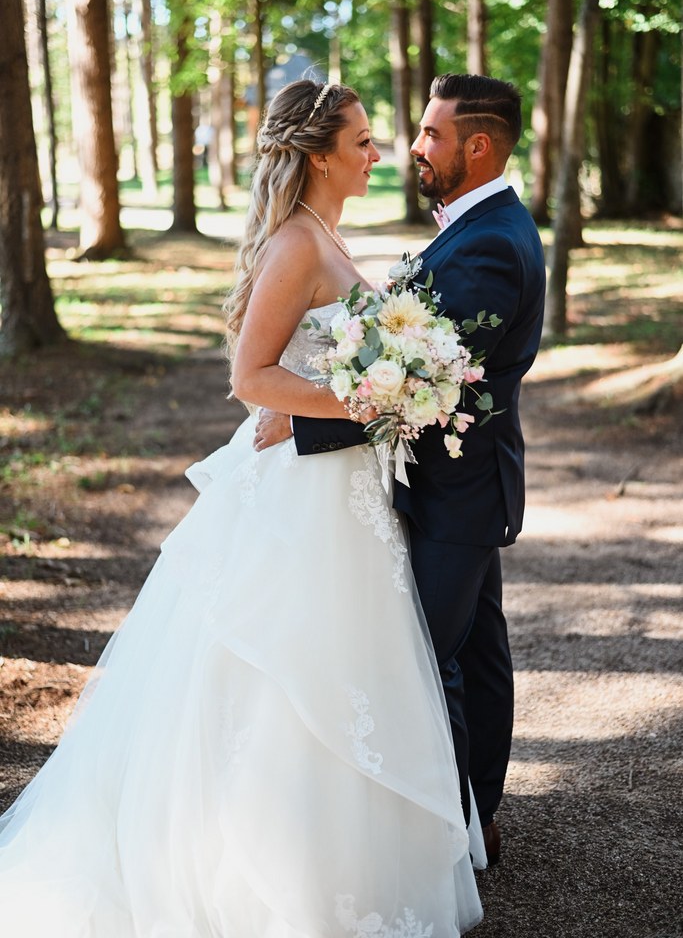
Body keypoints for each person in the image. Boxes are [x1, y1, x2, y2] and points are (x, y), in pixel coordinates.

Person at [0, 80, 484, 937]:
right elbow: (251, 379)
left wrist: (390, 390)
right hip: (296, 498)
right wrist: (380, 400)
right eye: (364, 140)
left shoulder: (325, 235)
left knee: (344, 670)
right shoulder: (297, 244)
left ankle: (339, 861)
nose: (379, 153)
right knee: (281, 674)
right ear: (320, 153)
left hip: (343, 495)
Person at [257, 73, 546, 867]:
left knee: (426, 662)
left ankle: (444, 830)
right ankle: (471, 816)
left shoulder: (491, 239)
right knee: (474, 654)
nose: (412, 149)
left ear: (477, 146)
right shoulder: (471, 226)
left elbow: (425, 378)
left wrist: (301, 418)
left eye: (431, 135)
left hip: (458, 489)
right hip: (449, 487)